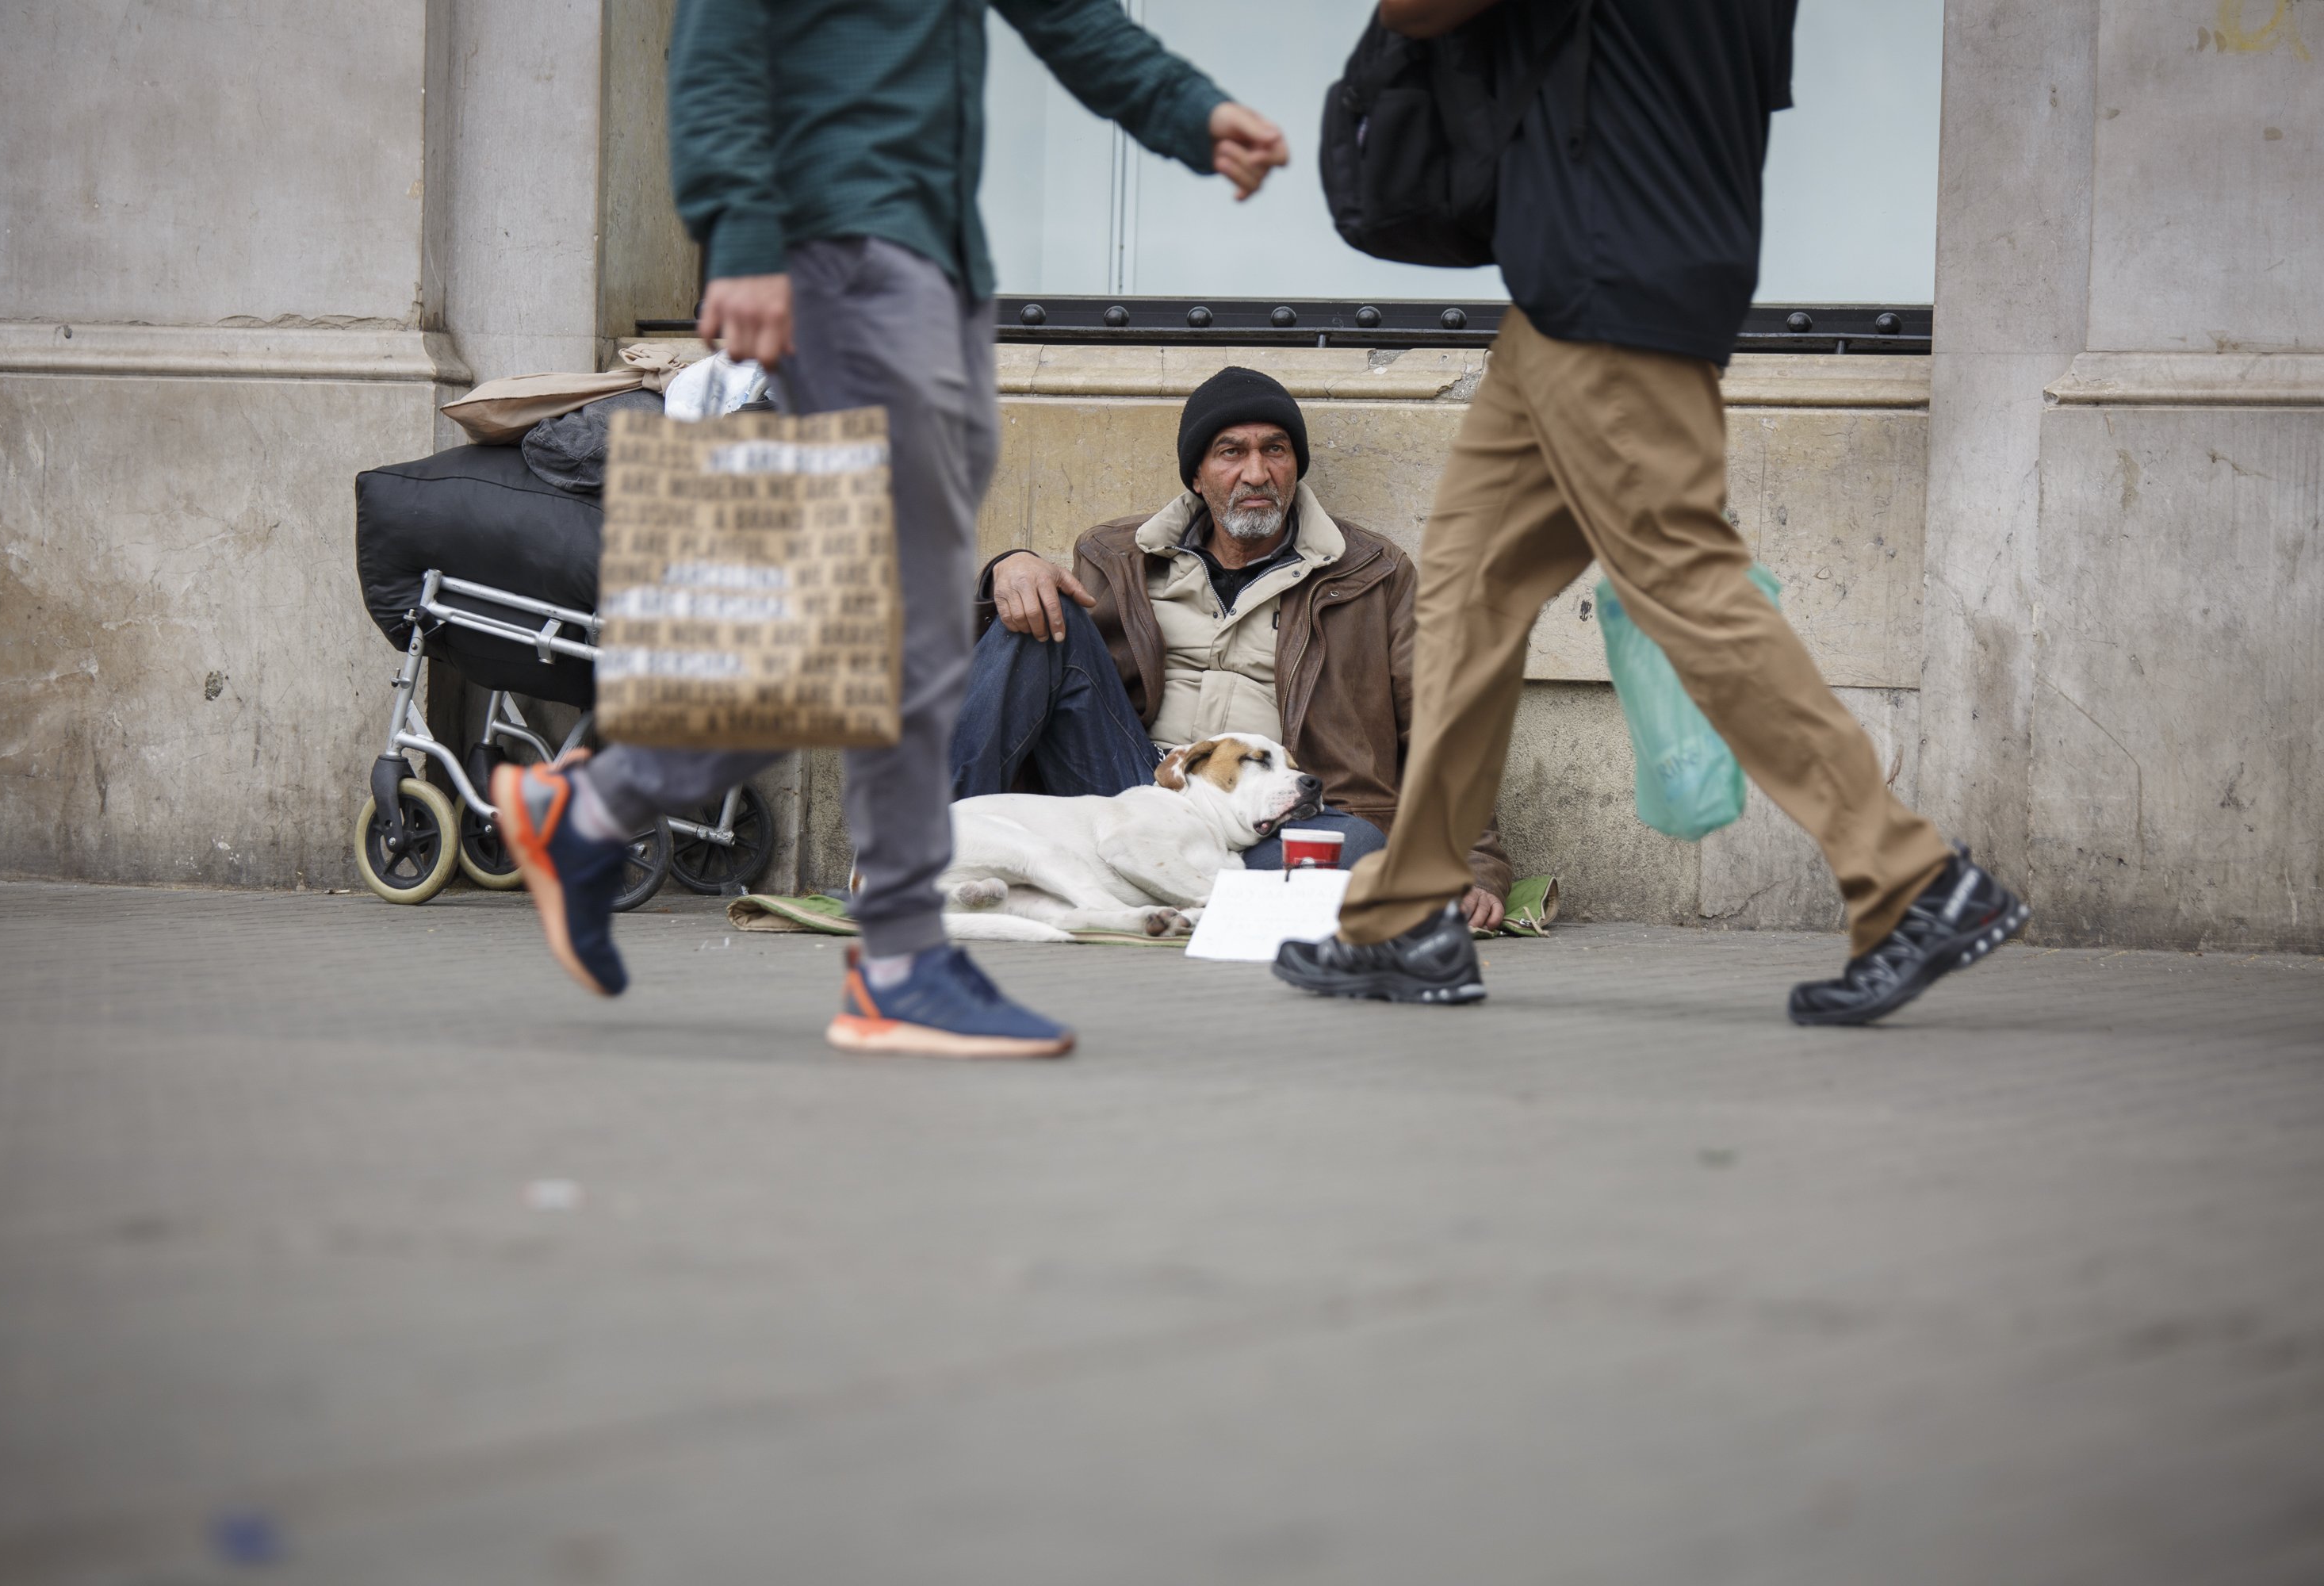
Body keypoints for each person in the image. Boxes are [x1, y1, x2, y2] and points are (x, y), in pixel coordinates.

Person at [492, 0, 1289, 1058]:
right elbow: (725, 38)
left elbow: (1073, 19)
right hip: (840, 258)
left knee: (844, 654)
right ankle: (905, 957)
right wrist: (739, 230)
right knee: (908, 635)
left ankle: (587, 814)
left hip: (941, 274)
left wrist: (1193, 112)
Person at [1273, 0, 2027, 1024]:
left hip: (1606, 276)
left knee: (1681, 574)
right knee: (1469, 583)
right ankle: (1410, 914)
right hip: (1598, 277)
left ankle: (1910, 879)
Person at [955, 366, 1514, 925]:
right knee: (1035, 622)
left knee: (1357, 844)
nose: (1256, 473)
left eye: (1275, 450)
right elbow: (1033, 675)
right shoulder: (1116, 555)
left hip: (1275, 809)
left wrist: (1472, 861)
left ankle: (1150, 889)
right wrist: (1011, 566)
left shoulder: (1374, 574)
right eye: (1230, 453)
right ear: (1197, 476)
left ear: (1295, 467)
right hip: (1134, 788)